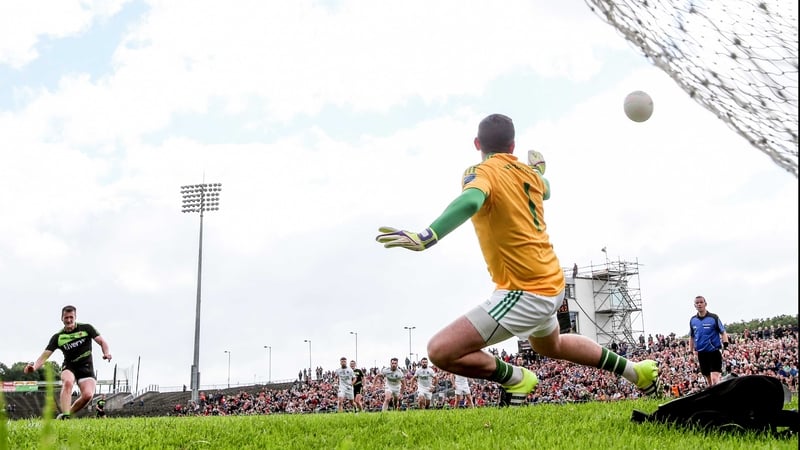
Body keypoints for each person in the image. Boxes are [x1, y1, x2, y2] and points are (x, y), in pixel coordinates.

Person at [376, 113, 659, 406]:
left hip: (525, 291)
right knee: (551, 345)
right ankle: (636, 372)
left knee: (441, 350)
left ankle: (515, 378)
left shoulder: (480, 171)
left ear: (477, 144)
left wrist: (428, 236)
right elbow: (547, 188)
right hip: (552, 280)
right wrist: (537, 169)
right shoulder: (531, 176)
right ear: (512, 146)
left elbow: (471, 200)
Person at [24, 305, 112, 419]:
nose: (69, 320)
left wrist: (106, 353)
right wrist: (33, 367)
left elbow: (102, 342)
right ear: (62, 318)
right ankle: (66, 415)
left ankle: (66, 414)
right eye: (66, 317)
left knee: (88, 395)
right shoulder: (58, 337)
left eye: (71, 317)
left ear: (75, 317)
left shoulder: (86, 328)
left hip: (86, 366)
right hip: (70, 366)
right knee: (68, 382)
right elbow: (44, 356)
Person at [689, 295, 729, 386]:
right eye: (697, 303)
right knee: (709, 382)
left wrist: (726, 348)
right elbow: (691, 337)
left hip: (713, 352)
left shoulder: (713, 318)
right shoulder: (693, 320)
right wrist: (690, 352)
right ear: (695, 305)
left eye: (701, 302)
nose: (699, 304)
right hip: (702, 353)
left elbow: (723, 332)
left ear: (705, 304)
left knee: (714, 379)